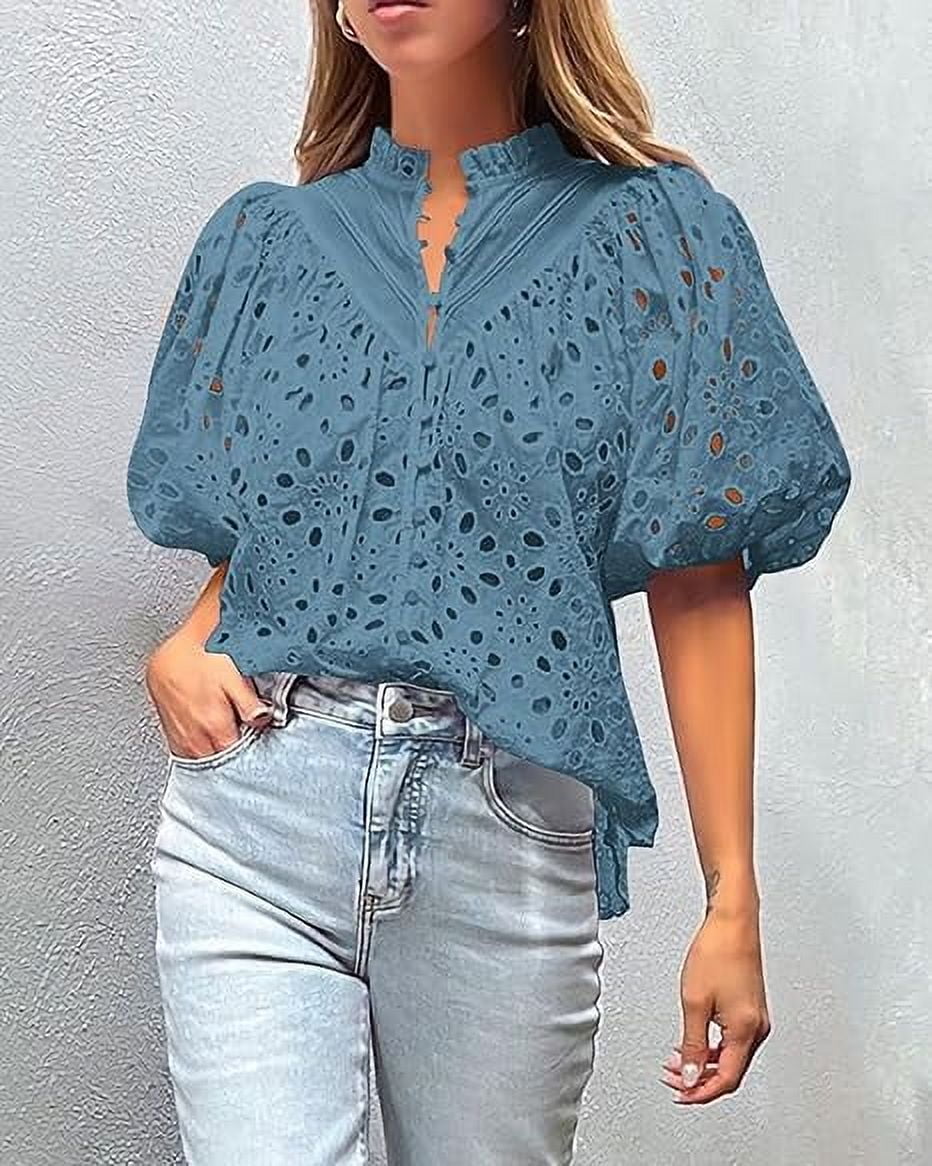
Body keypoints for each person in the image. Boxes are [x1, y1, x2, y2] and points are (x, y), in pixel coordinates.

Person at [125, 0, 852, 1161]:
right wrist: (191, 634)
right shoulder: (266, 242)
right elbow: (278, 519)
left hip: (499, 829)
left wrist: (731, 898)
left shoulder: (655, 238)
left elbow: (699, 572)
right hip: (255, 821)